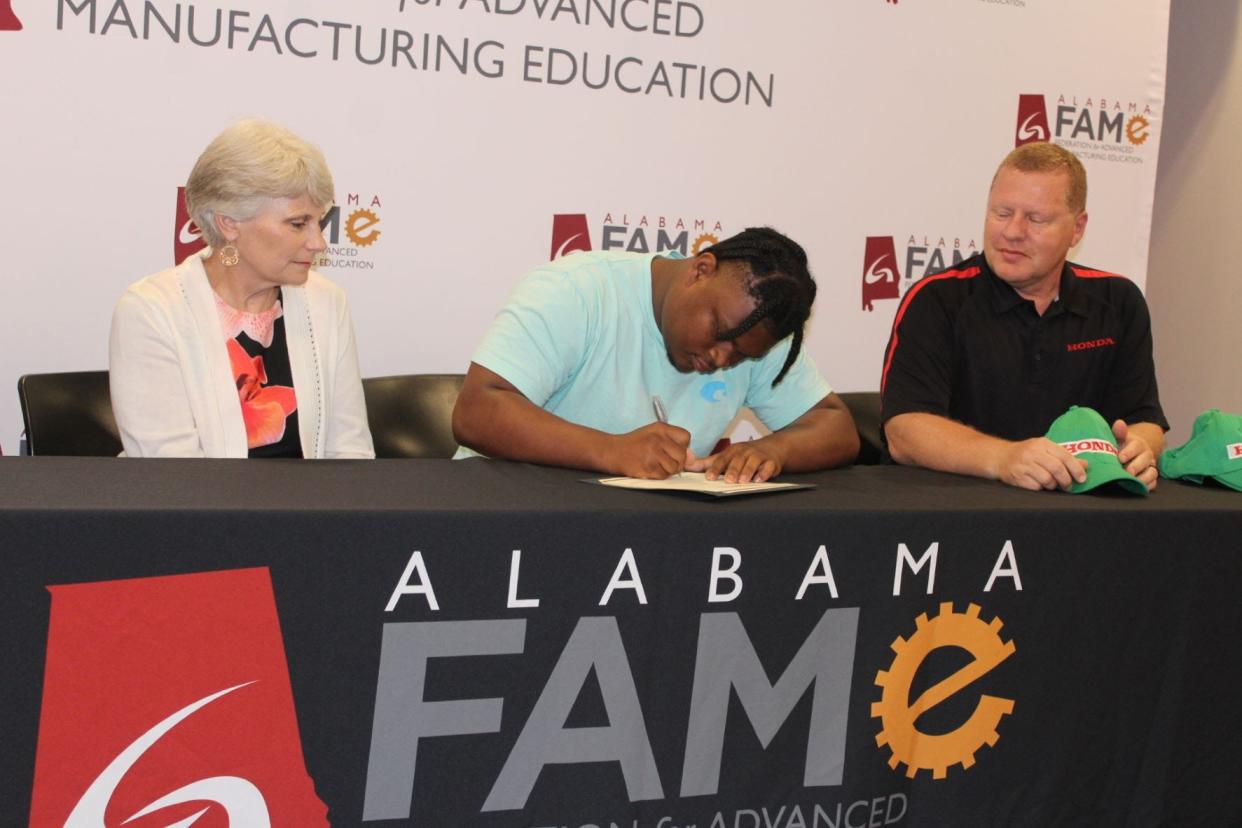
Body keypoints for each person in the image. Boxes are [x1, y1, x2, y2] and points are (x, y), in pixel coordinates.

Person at [452, 227, 859, 481]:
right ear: (701, 269)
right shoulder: (577, 290)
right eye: (718, 333)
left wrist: (774, 450)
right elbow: (477, 411)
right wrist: (612, 450)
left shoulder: (756, 329)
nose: (721, 358)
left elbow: (835, 426)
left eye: (740, 356)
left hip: (635, 537)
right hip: (505, 514)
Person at [880, 142, 1166, 491]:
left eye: (1036, 219)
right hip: (961, 511)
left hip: (1086, 506)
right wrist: (1004, 459)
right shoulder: (937, 300)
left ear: (1077, 228)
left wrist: (1139, 450)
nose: (1013, 232)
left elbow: (1143, 419)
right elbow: (905, 432)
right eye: (1001, 213)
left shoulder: (1119, 301)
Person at [109, 119, 374, 458]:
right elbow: (171, 475)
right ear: (229, 224)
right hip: (196, 509)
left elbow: (350, 450)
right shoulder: (151, 311)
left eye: (319, 222)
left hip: (311, 509)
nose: (318, 242)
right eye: (298, 224)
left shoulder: (327, 302)